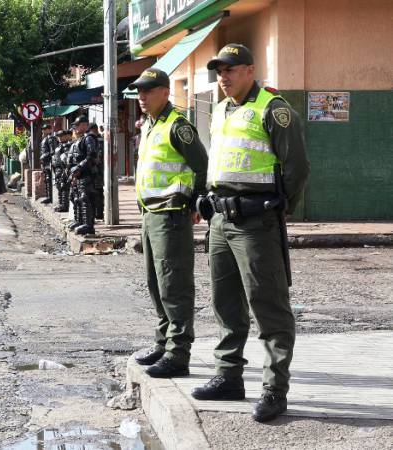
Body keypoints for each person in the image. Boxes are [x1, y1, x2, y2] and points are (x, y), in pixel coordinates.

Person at [190, 44, 311, 423]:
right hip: (220, 221)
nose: (223, 77)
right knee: (226, 302)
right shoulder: (222, 109)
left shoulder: (273, 109)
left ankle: (274, 390)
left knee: (268, 305)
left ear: (249, 70)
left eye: (230, 70)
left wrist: (279, 207)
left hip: (256, 221)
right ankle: (228, 376)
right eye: (219, 71)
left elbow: (297, 167)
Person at [129, 68, 208, 379]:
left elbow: (202, 167)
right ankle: (164, 343)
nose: (142, 97)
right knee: (156, 283)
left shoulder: (178, 126)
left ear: (165, 92)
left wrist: (196, 202)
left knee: (174, 285)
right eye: (139, 91)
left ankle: (178, 353)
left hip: (172, 215)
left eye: (148, 90)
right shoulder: (151, 125)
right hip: (151, 214)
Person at [67, 116, 98, 235]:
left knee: (86, 198)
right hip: (79, 175)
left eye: (77, 125)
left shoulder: (88, 138)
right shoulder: (79, 140)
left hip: (87, 174)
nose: (75, 127)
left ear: (85, 125)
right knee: (77, 198)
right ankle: (80, 221)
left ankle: (88, 225)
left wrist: (79, 167)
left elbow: (92, 155)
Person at [52, 130, 73, 212]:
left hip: (63, 169)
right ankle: (61, 204)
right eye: (58, 136)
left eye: (61, 136)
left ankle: (64, 206)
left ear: (66, 136)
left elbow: (66, 159)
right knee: (59, 186)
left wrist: (66, 169)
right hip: (57, 168)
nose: (59, 138)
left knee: (64, 187)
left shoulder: (67, 146)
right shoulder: (59, 145)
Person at [87, 123, 105, 219]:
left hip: (96, 169)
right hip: (99, 169)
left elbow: (96, 156)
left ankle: (97, 213)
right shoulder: (99, 140)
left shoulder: (95, 140)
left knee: (96, 192)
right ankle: (98, 212)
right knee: (98, 192)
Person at [39, 124, 56, 204]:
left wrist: (44, 156)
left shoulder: (51, 138)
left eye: (45, 129)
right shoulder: (45, 138)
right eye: (43, 129)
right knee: (46, 179)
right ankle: (48, 196)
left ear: (49, 129)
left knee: (49, 179)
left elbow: (53, 151)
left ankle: (50, 197)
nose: (43, 130)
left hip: (49, 162)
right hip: (45, 162)